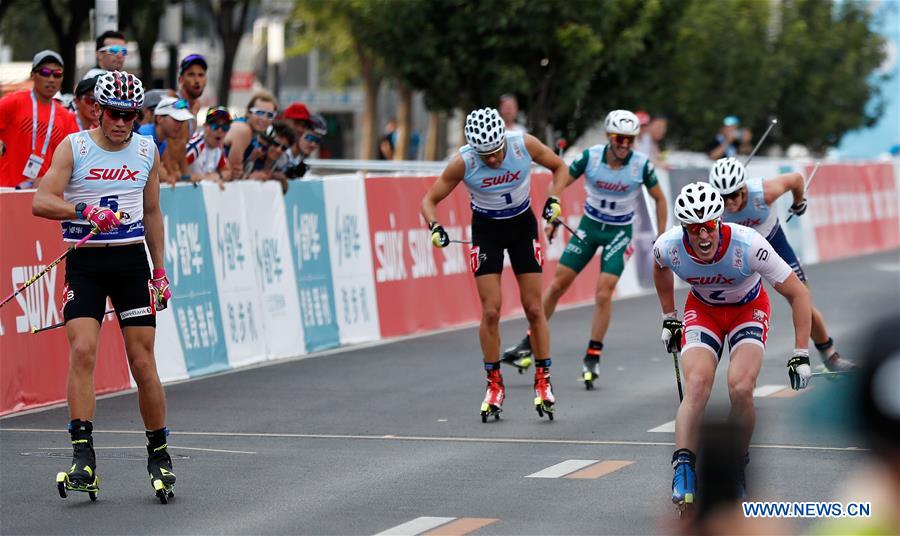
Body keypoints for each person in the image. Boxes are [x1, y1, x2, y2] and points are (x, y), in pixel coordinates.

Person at [30, 70, 176, 503]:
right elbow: (41, 200)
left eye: (131, 115)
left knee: (142, 361)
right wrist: (84, 210)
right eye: (114, 114)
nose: (122, 123)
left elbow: (152, 212)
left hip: (130, 262)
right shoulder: (74, 146)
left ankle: (159, 454)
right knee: (83, 350)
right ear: (97, 109)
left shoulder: (146, 150)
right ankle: (83, 457)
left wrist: (159, 272)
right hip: (87, 263)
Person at [652, 182, 812, 510]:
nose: (703, 236)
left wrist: (801, 353)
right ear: (683, 228)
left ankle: (736, 463)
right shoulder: (668, 246)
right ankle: (683, 468)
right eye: (694, 228)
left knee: (740, 386)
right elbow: (658, 268)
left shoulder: (749, 244)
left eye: (709, 226)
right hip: (704, 311)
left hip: (747, 309)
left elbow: (799, 293)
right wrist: (669, 317)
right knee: (697, 384)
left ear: (720, 222)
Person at [502, 110, 668, 389]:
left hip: (619, 232)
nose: (624, 145)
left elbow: (660, 199)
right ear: (608, 137)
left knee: (603, 292)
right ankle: (528, 344)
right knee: (557, 285)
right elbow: (558, 182)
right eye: (619, 138)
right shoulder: (590, 157)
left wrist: (660, 237)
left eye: (630, 139)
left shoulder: (640, 164)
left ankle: (593, 355)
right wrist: (552, 216)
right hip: (589, 227)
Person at [421, 107, 568, 421]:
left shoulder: (522, 144)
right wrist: (435, 227)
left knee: (534, 308)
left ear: (504, 139)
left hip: (522, 226)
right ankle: (494, 385)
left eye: (496, 152)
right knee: (490, 311)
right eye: (484, 155)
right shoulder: (464, 161)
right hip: (486, 230)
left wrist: (554, 198)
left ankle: (543, 381)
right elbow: (429, 200)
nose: (492, 160)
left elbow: (559, 167)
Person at [708, 157, 855, 371]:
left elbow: (796, 179)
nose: (728, 202)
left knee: (803, 303)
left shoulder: (765, 193)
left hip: (774, 245)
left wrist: (798, 202)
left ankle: (830, 356)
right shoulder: (714, 206)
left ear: (743, 188)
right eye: (723, 197)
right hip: (741, 254)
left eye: (733, 195)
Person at [0, 50, 78, 188]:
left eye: (57, 74)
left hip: (42, 192)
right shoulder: (13, 102)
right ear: (32, 75)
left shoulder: (66, 117)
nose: (51, 79)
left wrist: (47, 180)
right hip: (7, 189)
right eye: (45, 72)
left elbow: (74, 161)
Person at [138, 96, 193, 184]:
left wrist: (171, 175)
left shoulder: (163, 141)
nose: (180, 125)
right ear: (159, 119)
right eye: (176, 120)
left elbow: (170, 174)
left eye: (182, 121)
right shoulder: (144, 136)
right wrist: (160, 174)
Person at [224, 90, 278, 179]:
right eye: (259, 112)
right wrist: (251, 177)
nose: (264, 119)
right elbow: (233, 174)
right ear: (248, 113)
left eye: (269, 115)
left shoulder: (254, 133)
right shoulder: (243, 130)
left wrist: (250, 159)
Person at [186, 106, 231, 188]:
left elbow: (227, 171)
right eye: (215, 126)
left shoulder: (218, 147)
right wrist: (204, 177)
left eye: (225, 128)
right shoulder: (196, 145)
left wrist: (218, 176)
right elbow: (176, 171)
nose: (220, 131)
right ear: (205, 127)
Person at [245, 121, 295, 192]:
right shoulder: (249, 151)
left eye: (284, 148)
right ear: (266, 141)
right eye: (276, 144)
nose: (279, 150)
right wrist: (248, 177)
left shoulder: (281, 163)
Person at [275, 113, 326, 181]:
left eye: (317, 141)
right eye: (310, 138)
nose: (313, 144)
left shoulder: (300, 163)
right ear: (298, 133)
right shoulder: (279, 154)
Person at [177, 54, 208, 123]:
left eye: (201, 75)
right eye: (191, 74)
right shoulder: (174, 106)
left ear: (206, 80)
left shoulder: (196, 106)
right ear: (180, 79)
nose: (197, 80)